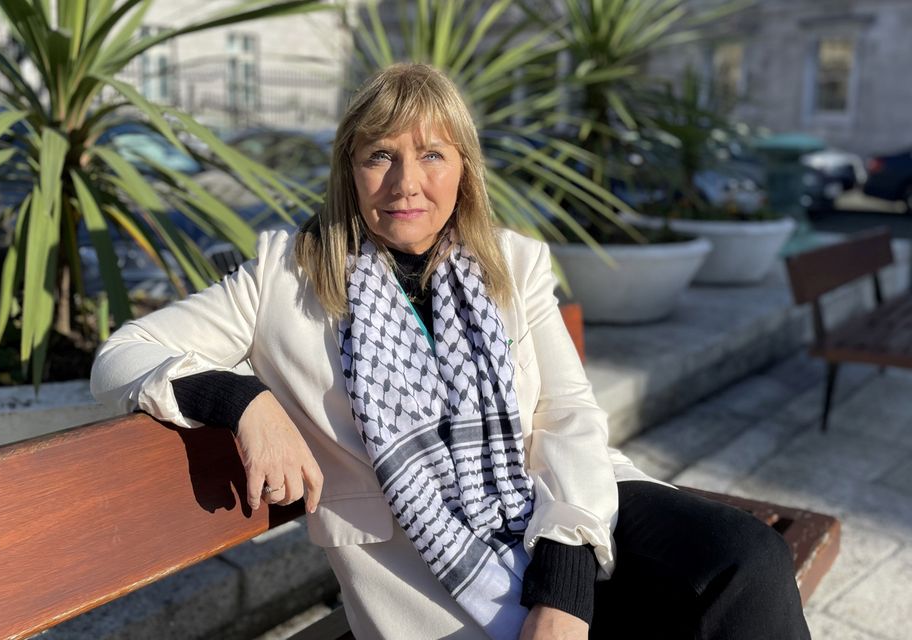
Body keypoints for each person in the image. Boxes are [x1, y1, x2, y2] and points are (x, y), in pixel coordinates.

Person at [91, 63, 811, 640]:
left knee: (747, 562)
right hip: (429, 573)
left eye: (431, 154)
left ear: (463, 166)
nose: (406, 183)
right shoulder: (285, 278)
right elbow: (124, 353)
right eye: (381, 155)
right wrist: (243, 400)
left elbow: (567, 415)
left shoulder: (511, 263)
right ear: (349, 169)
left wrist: (564, 584)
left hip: (560, 512)